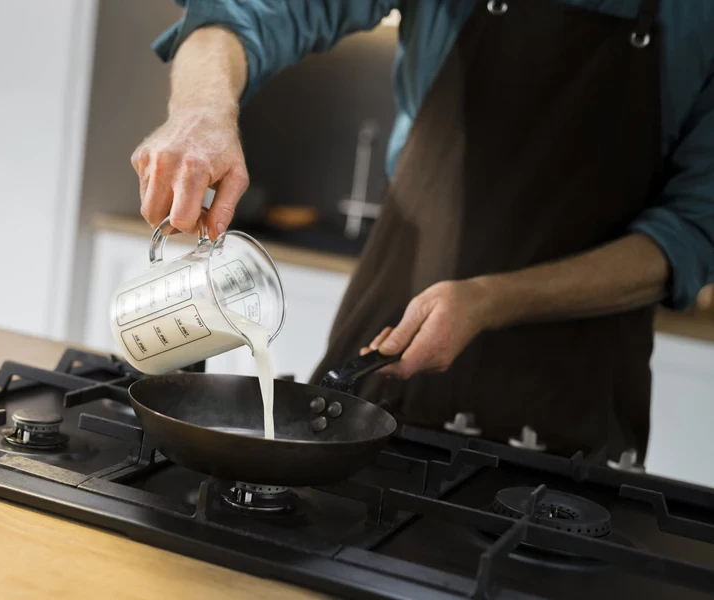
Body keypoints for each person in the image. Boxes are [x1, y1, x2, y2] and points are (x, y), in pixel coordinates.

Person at [131, 0, 714, 461]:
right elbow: (249, 8)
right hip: (395, 325)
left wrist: (491, 299)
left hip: (575, 387)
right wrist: (200, 111)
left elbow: (692, 229)